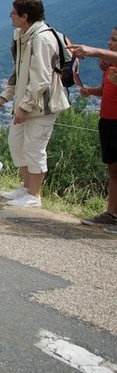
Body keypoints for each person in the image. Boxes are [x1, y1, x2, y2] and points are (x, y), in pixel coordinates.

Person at [0, 0, 71, 208]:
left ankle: (34, 195)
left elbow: (41, 78)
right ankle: (26, 187)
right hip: (25, 101)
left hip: (43, 105)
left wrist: (24, 106)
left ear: (24, 16)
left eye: (13, 12)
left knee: (35, 147)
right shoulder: (22, 35)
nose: (10, 16)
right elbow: (18, 70)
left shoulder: (42, 38)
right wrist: (6, 94)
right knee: (16, 143)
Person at [72, 28, 117, 231]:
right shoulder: (109, 66)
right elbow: (106, 90)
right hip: (107, 120)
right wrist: (91, 91)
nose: (109, 42)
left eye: (114, 40)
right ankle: (111, 213)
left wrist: (94, 51)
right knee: (113, 170)